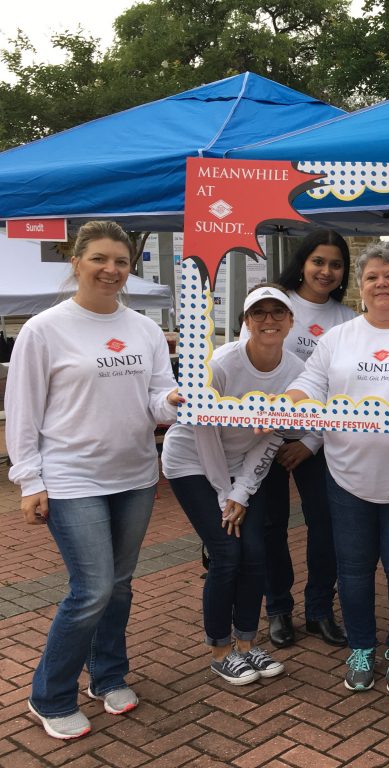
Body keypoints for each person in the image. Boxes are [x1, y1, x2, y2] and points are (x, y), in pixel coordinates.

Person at [7, 221, 180, 740]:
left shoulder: (145, 329)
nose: (112, 270)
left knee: (120, 587)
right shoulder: (44, 329)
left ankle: (107, 676)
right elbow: (22, 412)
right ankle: (49, 694)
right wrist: (29, 480)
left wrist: (172, 403)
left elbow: (156, 398)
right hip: (70, 478)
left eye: (121, 262)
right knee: (92, 589)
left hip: (134, 475)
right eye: (100, 259)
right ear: (76, 261)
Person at [285, 241, 389, 694]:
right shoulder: (339, 338)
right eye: (371, 277)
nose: (381, 283)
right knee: (355, 568)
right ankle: (361, 646)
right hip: (346, 474)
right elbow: (310, 383)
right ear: (359, 286)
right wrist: (282, 405)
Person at [162, 285, 302, 686]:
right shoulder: (222, 363)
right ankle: (220, 651)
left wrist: (241, 491)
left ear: (292, 321)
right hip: (192, 460)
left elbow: (272, 437)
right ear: (246, 321)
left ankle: (246, 644)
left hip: (242, 465)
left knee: (255, 552)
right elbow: (203, 433)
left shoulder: (295, 372)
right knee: (227, 551)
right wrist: (226, 495)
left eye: (279, 312)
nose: (269, 320)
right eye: (259, 313)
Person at [240, 229, 356, 649]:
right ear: (302, 262)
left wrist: (310, 442)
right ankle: (278, 609)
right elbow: (248, 372)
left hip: (320, 442)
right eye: (318, 261)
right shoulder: (271, 303)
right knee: (270, 525)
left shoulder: (347, 320)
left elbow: (347, 390)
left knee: (325, 525)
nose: (326, 271)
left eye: (336, 264)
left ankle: (320, 609)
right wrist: (274, 434)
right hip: (264, 438)